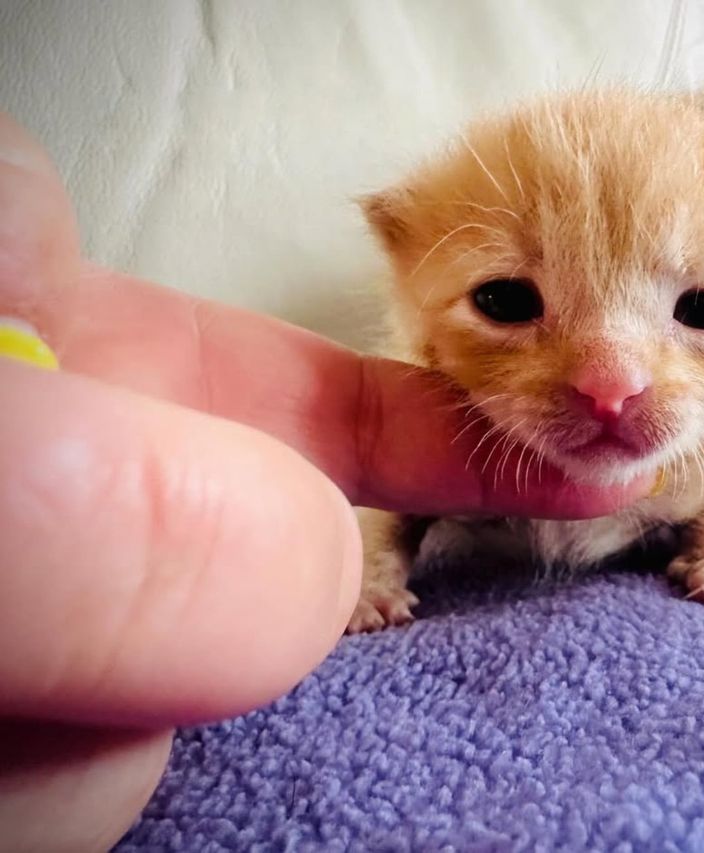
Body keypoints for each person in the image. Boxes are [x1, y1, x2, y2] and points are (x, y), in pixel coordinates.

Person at [0, 112, 653, 850]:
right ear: (401, 255)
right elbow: (393, 507)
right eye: (508, 299)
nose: (612, 385)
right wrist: (376, 564)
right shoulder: (403, 427)